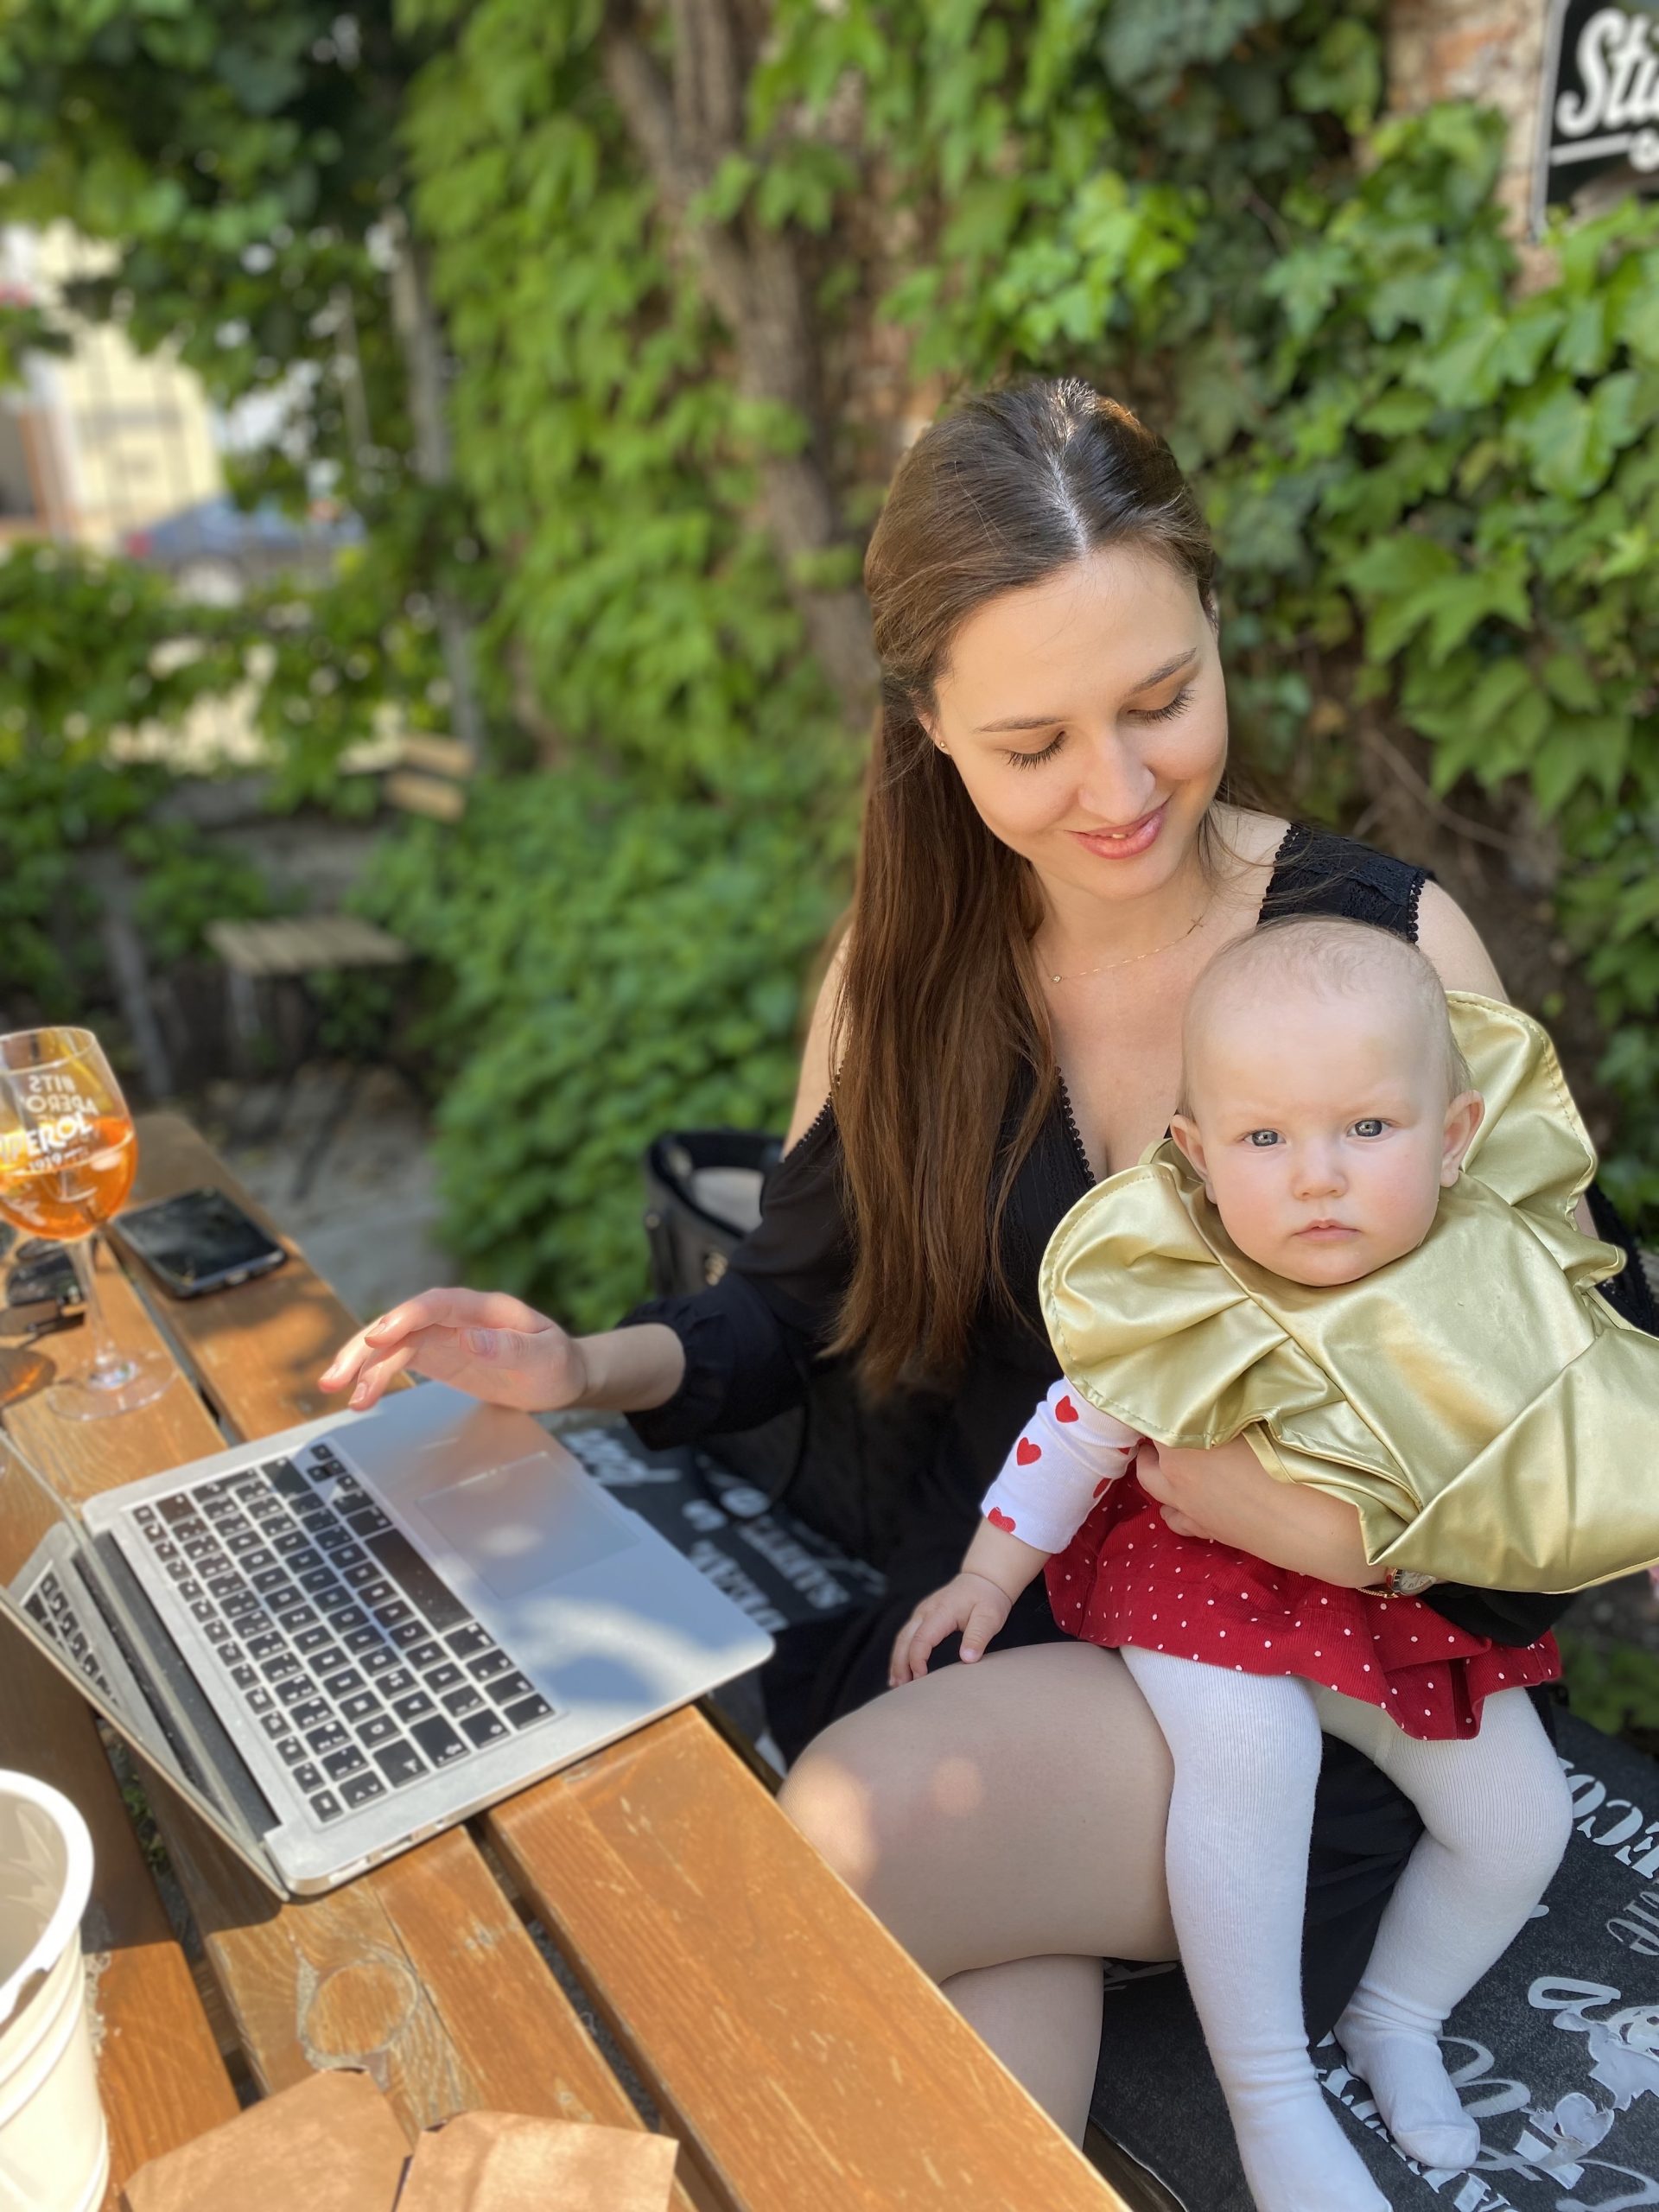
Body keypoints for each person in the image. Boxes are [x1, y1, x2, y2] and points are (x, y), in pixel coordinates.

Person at [318, 378, 1656, 2156]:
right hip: (1017, 1621)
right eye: (1033, 744)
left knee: (860, 1830)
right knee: (944, 2112)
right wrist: (580, 1366)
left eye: (1165, 700)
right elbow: (791, 1305)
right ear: (927, 726)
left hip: (1345, 1690)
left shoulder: (1386, 947)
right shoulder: (910, 962)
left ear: (1209, 632)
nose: (1120, 790)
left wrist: (1333, 1529)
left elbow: (1591, 1405)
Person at [897, 915, 1659, 2209]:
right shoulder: (1186, 1285)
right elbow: (1073, 1427)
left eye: (1368, 1129)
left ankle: (1395, 2013)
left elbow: (1587, 1435)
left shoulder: (1490, 1279)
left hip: (1382, 1612)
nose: (1317, 1178)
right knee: (1254, 1752)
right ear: (1194, 1156)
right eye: (1265, 1139)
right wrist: (987, 1572)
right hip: (1197, 1583)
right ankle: (1268, 2092)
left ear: (1457, 1137)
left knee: (1520, 1819)